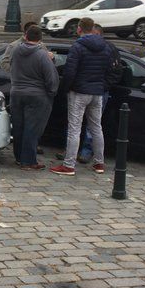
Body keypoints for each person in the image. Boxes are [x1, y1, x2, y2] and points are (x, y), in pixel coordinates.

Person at [51, 16, 116, 176]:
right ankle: (99, 163)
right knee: (96, 127)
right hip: (97, 92)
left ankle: (69, 165)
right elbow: (109, 70)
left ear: (79, 29)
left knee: (74, 128)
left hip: (79, 91)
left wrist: (65, 89)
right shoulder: (106, 47)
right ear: (93, 28)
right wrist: (101, 86)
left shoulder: (78, 46)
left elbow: (70, 71)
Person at [10, 24, 58, 169]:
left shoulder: (17, 50)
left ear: (26, 36)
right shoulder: (42, 54)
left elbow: (11, 67)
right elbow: (51, 78)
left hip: (16, 92)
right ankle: (29, 161)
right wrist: (51, 93)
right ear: (40, 38)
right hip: (37, 95)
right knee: (32, 129)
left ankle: (19, 157)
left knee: (18, 127)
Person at [78, 22, 122, 163]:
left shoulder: (109, 48)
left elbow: (116, 72)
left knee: (92, 125)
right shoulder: (83, 46)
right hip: (90, 89)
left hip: (96, 90)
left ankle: (86, 152)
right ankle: (90, 157)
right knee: (84, 124)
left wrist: (103, 86)